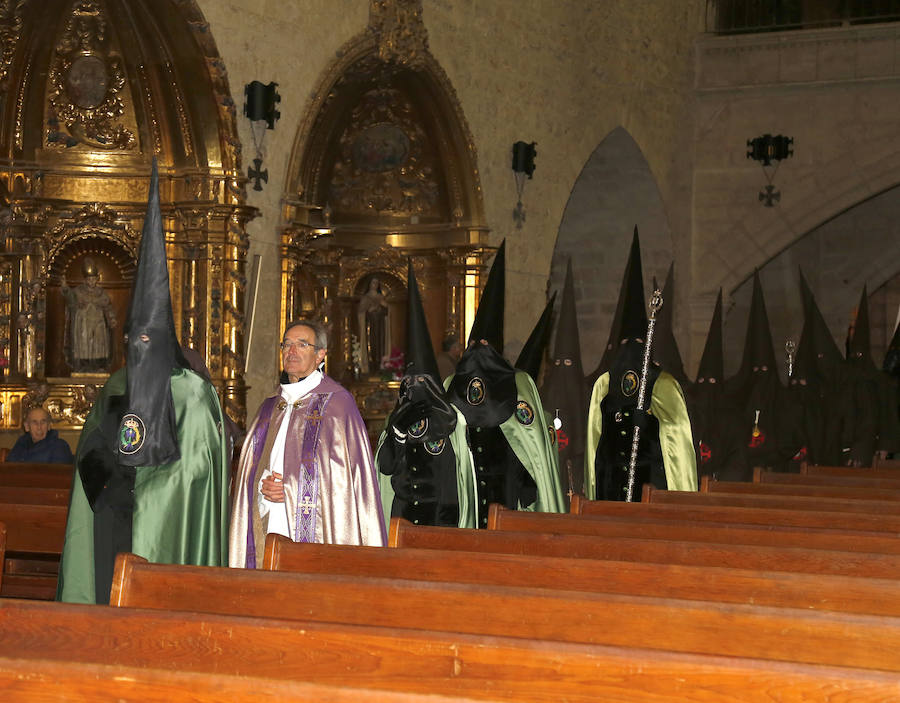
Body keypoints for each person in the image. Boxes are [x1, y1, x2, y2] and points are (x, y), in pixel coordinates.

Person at [57, 159, 229, 605]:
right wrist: (114, 482)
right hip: (115, 513)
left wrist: (151, 487)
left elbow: (199, 467)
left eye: (148, 338)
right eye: (134, 338)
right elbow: (92, 444)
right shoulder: (116, 384)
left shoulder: (191, 391)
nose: (140, 347)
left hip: (166, 524)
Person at [229, 319, 386, 568]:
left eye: (302, 345)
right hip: (269, 516)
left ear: (320, 354)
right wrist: (262, 484)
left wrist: (291, 487)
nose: (291, 351)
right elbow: (251, 467)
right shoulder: (270, 405)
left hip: (319, 530)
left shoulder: (337, 403)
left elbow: (344, 483)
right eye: (287, 345)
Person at [445, 240, 565, 528]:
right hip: (467, 491)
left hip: (509, 490)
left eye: (484, 345)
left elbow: (531, 439)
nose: (478, 350)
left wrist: (530, 487)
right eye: (474, 345)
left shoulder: (519, 383)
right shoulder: (452, 382)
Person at [585, 229, 697, 501]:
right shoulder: (604, 384)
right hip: (610, 488)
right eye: (626, 344)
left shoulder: (663, 383)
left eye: (637, 343)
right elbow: (594, 440)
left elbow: (677, 440)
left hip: (651, 488)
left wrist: (650, 424)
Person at [377, 260, 474, 528]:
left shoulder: (452, 421)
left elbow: (457, 478)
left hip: (441, 518)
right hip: (402, 517)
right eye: (410, 380)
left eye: (422, 380)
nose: (415, 385)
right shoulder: (399, 417)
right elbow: (386, 468)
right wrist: (397, 433)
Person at [61, 256, 116, 372]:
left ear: (97, 279)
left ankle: (99, 365)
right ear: (85, 280)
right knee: (83, 345)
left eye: (93, 279)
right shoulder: (78, 291)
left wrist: (111, 319)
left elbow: (108, 307)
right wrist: (66, 289)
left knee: (99, 344)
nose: (91, 282)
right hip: (83, 324)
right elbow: (71, 300)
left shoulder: (101, 293)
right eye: (89, 279)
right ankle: (83, 366)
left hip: (98, 324)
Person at [6, 405, 74, 463]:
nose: (39, 427)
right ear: (27, 426)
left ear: (49, 426)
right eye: (34, 422)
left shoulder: (59, 447)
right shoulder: (21, 444)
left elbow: (59, 474)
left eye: (43, 422)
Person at [357, 276, 390, 375]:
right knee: (370, 346)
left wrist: (381, 307)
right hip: (369, 326)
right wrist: (369, 311)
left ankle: (381, 365)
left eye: (376, 283)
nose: (374, 285)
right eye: (373, 283)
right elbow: (361, 312)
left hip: (380, 326)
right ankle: (371, 365)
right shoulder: (366, 298)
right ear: (369, 285)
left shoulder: (381, 297)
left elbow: (387, 311)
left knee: (380, 345)